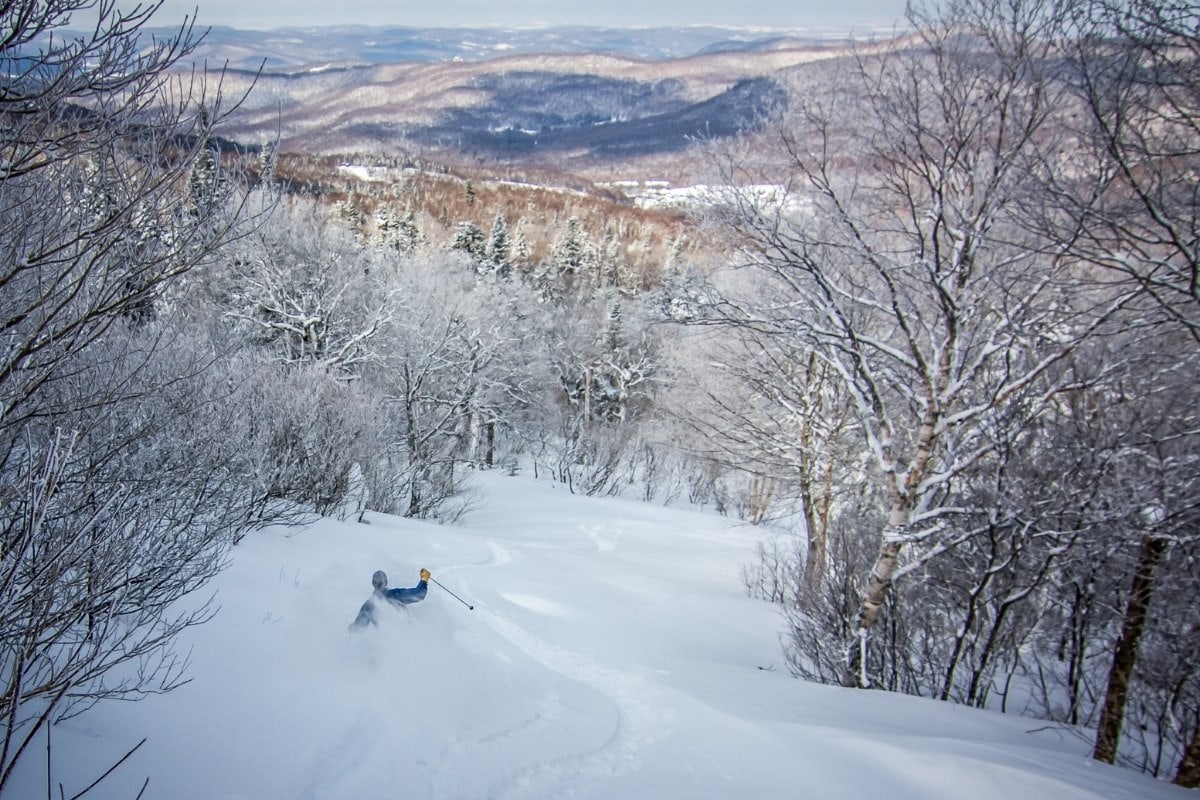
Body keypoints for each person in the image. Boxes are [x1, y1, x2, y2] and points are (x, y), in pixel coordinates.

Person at [349, 568, 430, 630]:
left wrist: (353, 627)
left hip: (386, 645)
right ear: (386, 582)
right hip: (405, 638)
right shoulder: (394, 595)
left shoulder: (369, 605)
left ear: (373, 584)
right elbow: (419, 594)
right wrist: (424, 579)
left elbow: (360, 626)